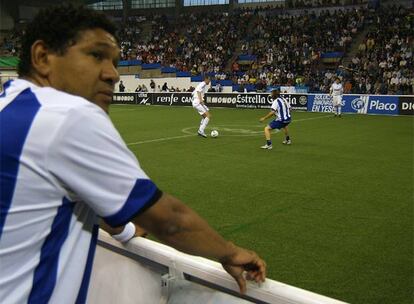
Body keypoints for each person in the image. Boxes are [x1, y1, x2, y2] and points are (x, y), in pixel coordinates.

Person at [0, 6, 266, 304]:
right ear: (42, 57)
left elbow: (77, 199)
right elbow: (170, 221)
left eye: (114, 62)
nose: (112, 74)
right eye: (96, 55)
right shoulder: (66, 115)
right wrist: (230, 252)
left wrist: (125, 229)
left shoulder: (9, 106)